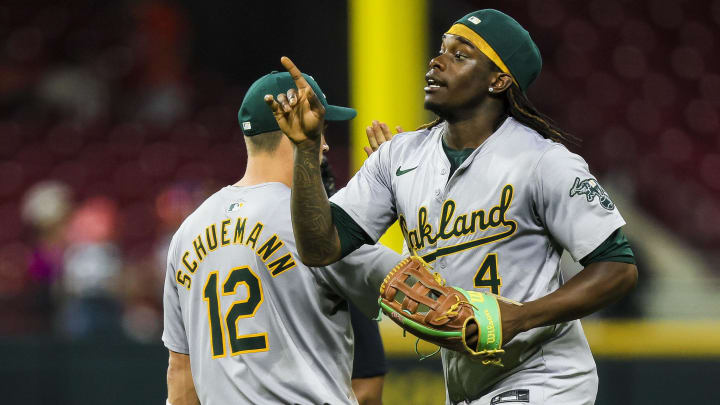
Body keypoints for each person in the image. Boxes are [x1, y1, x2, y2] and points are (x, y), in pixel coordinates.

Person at [265, 9, 638, 405]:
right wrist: (306, 150)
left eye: (460, 55)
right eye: (441, 49)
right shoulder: (397, 158)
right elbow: (319, 247)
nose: (437, 61)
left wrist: (521, 317)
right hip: (466, 385)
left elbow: (617, 269)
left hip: (545, 376)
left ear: (499, 80)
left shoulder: (543, 161)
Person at [162, 71, 401, 405]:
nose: (326, 144)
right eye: (322, 129)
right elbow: (425, 296)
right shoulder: (315, 226)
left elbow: (181, 374)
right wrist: (404, 196)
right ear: (298, 129)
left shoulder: (187, 231)